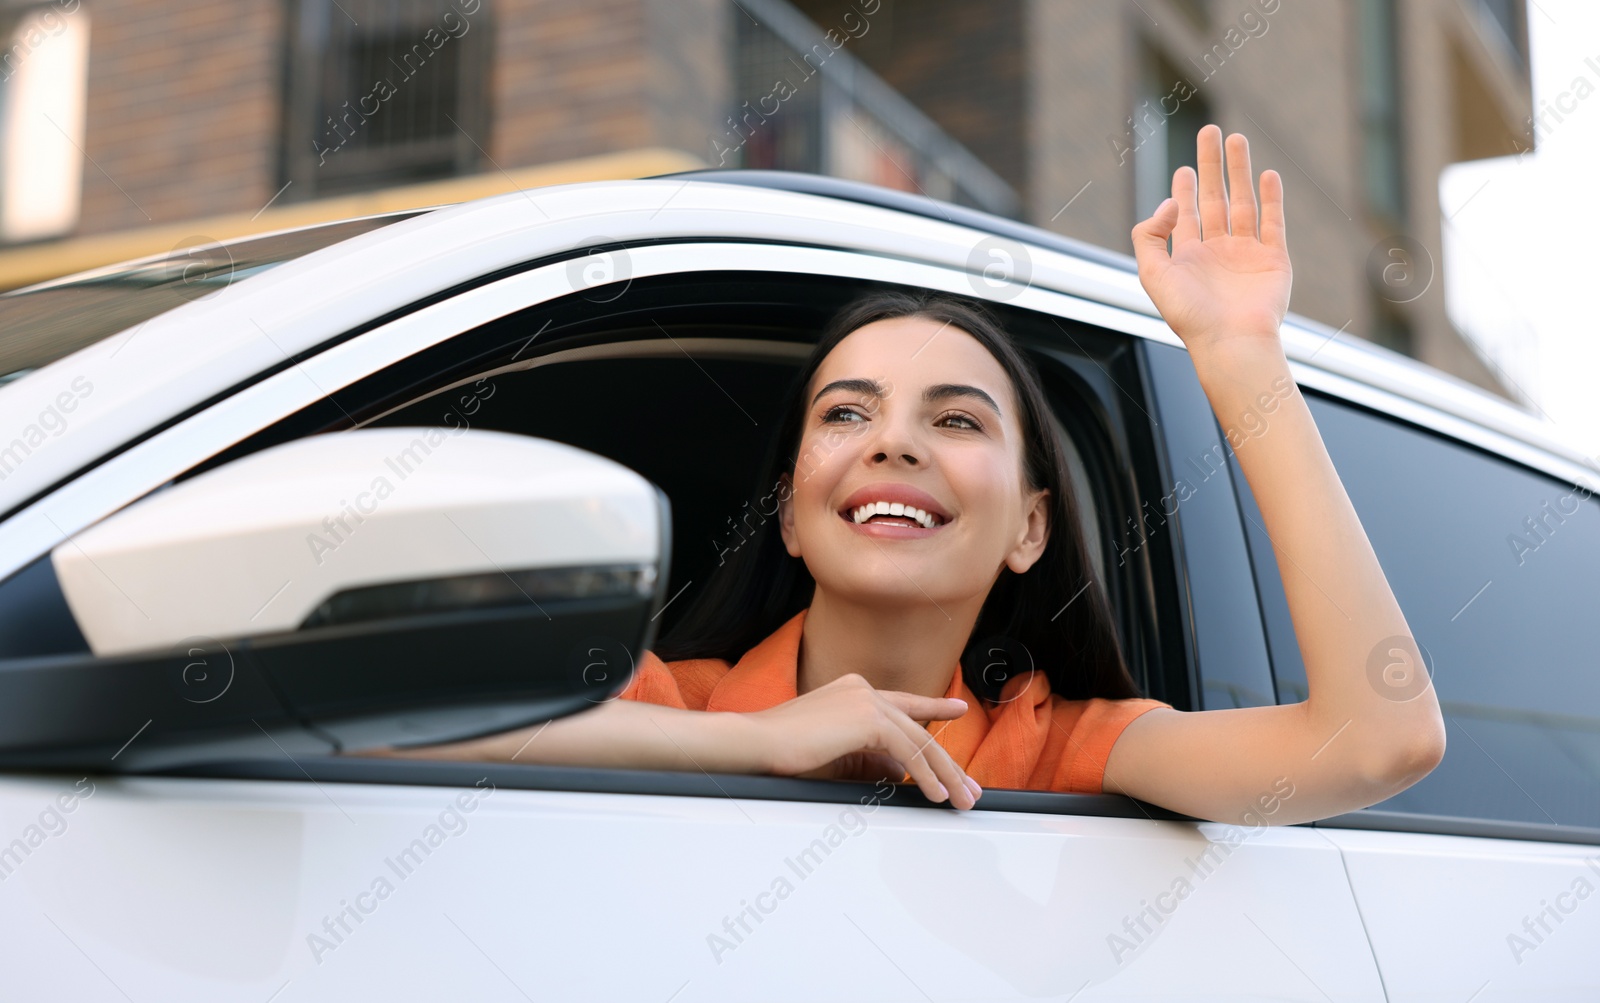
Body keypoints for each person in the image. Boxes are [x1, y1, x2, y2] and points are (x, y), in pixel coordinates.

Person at [382, 126, 1445, 824]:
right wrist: (753, 742)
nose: (892, 442)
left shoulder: (1062, 745)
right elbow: (382, 725)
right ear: (792, 515)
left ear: (1031, 526)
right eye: (847, 412)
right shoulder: (682, 700)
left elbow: (1379, 740)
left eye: (955, 418)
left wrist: (1239, 353)